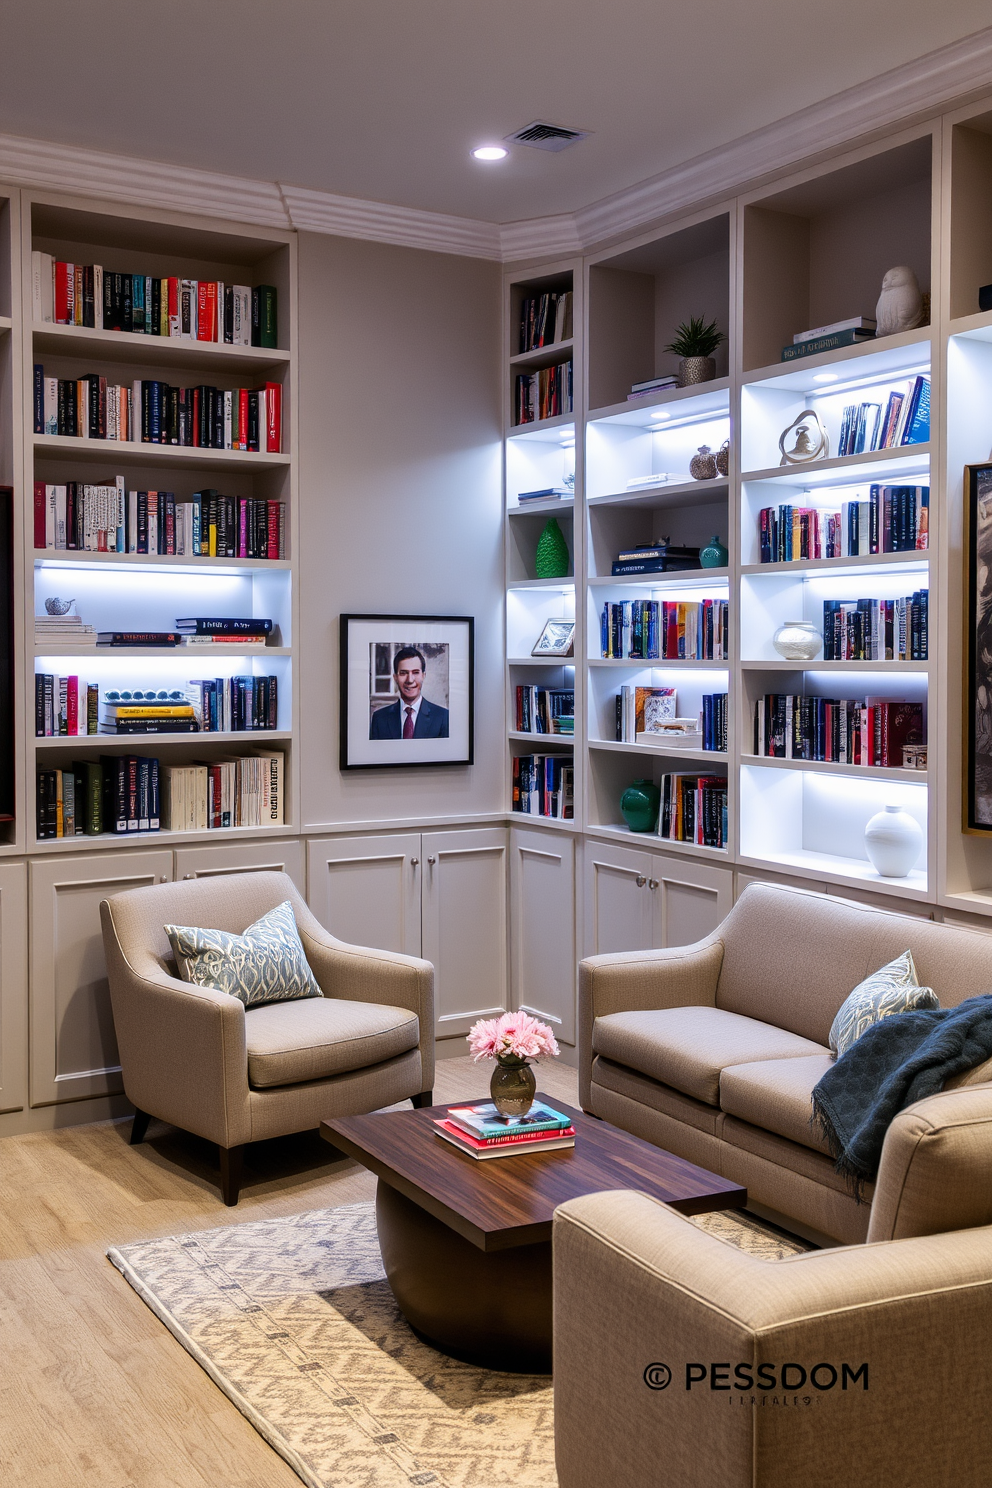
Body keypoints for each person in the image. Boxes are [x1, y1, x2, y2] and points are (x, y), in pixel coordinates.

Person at [369, 646, 449, 739]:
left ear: (423, 676)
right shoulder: (379, 718)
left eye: (415, 672)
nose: (410, 680)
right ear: (395, 678)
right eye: (403, 673)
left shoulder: (443, 717)